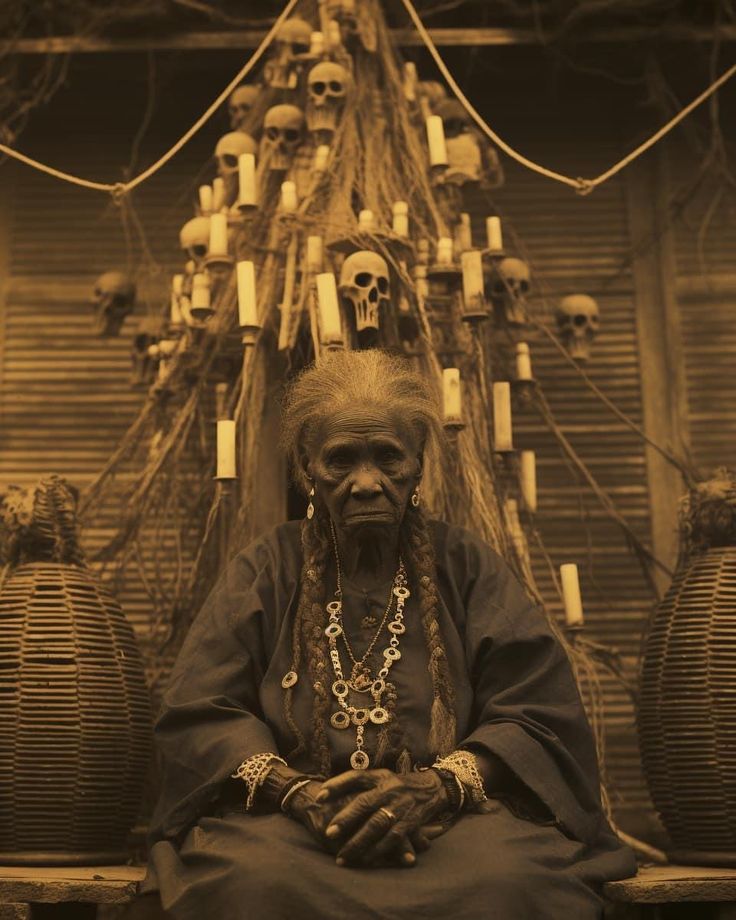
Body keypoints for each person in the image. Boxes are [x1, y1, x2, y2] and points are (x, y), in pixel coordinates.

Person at [141, 349, 637, 919]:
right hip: (293, 829)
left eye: (388, 458)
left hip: (451, 827)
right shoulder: (265, 569)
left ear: (419, 463)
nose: (366, 483)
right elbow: (200, 710)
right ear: (307, 467)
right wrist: (295, 792)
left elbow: (536, 713)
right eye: (341, 460)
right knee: (253, 885)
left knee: (509, 885)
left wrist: (437, 788)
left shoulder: (467, 566)